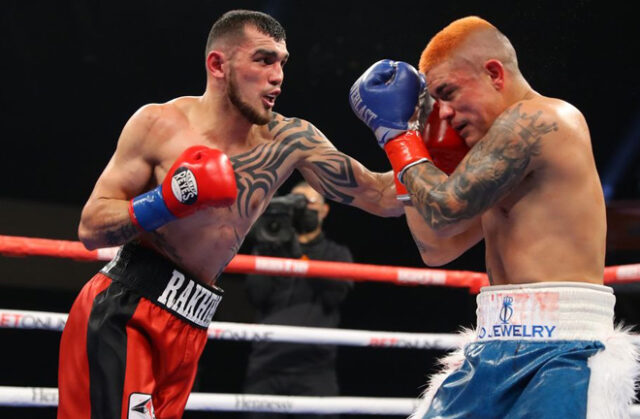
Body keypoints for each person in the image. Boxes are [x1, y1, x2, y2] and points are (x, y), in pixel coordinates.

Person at [58, 9, 404, 419]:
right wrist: (168, 200)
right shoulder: (159, 124)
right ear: (218, 64)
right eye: (263, 59)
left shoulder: (289, 140)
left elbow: (382, 197)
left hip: (188, 325)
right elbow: (91, 226)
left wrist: (410, 139)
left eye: (282, 62)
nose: (278, 76)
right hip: (125, 311)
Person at [350, 16, 639, 419]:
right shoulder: (491, 157)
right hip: (491, 345)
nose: (445, 114)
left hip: (564, 353)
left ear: (493, 73)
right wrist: (412, 142)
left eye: (448, 93)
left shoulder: (542, 119)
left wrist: (398, 136)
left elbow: (446, 206)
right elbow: (437, 245)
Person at [243, 181, 353, 419]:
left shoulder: (336, 254)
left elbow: (334, 294)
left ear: (324, 211)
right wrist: (273, 250)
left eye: (308, 203)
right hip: (266, 365)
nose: (302, 210)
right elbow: (255, 295)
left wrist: (298, 257)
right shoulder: (270, 249)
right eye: (296, 204)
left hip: (315, 368)